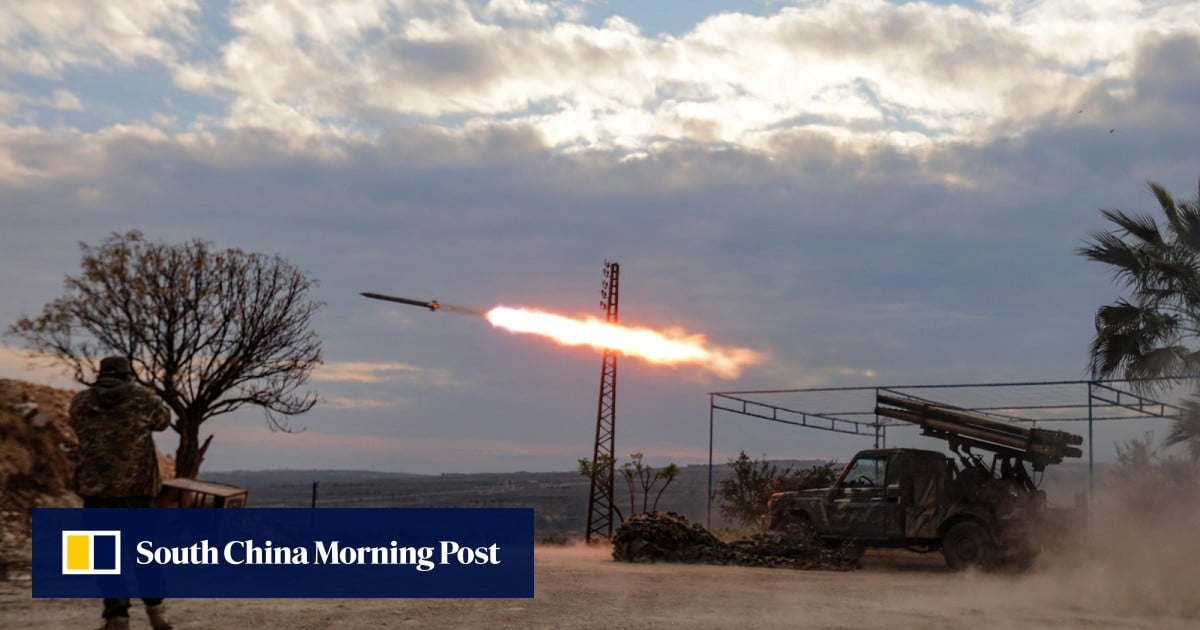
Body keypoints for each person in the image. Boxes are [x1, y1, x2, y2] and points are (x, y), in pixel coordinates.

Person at [69, 356, 175, 630]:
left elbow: (79, 428)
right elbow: (163, 421)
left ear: (101, 374)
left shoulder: (81, 401)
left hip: (96, 493)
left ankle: (116, 617)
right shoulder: (142, 398)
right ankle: (157, 612)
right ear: (128, 375)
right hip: (137, 493)